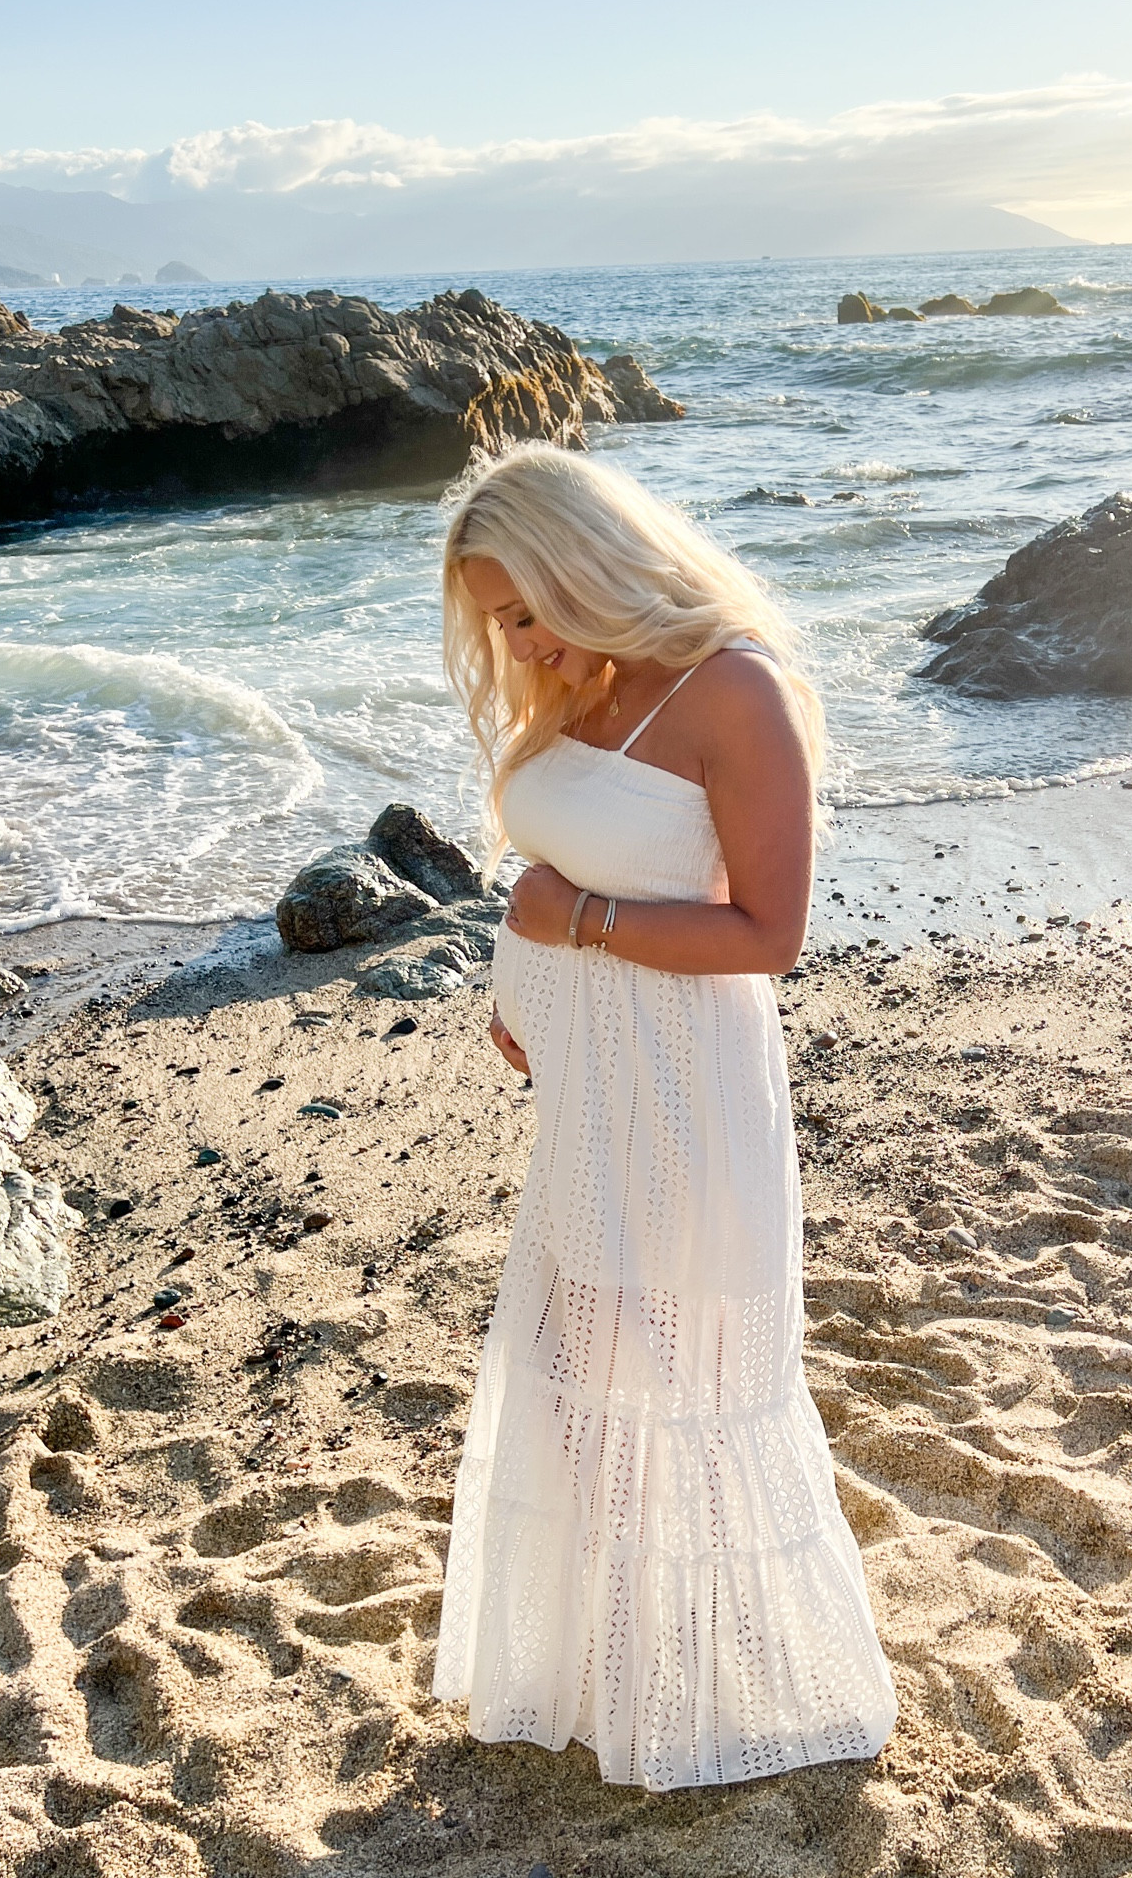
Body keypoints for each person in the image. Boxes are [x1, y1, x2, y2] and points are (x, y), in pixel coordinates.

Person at [432, 443, 897, 1791]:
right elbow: (561, 869)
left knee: (675, 1379)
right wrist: (531, 984)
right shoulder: (577, 686)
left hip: (687, 1088)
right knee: (577, 1368)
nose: (519, 643)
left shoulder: (732, 690)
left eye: (529, 610)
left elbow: (769, 933)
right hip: (588, 1088)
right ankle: (612, 1669)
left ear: (590, 564)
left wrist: (574, 923)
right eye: (498, 622)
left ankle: (714, 1685)